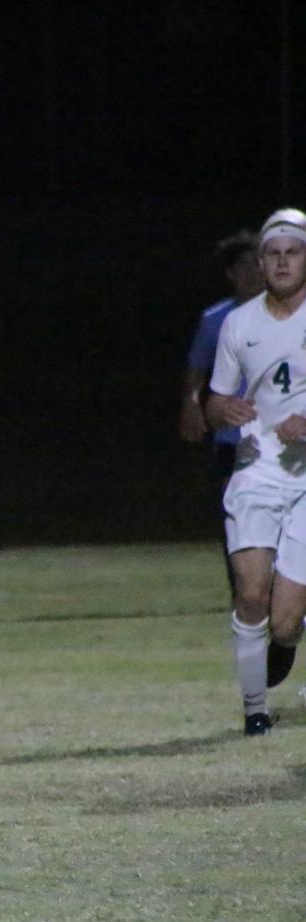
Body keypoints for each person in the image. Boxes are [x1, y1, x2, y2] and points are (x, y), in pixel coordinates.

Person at [205, 207, 306, 735]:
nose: (283, 262)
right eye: (274, 253)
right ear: (261, 261)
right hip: (257, 472)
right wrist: (222, 410)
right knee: (249, 594)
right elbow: (215, 402)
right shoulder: (237, 323)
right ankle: (254, 711)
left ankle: (292, 629)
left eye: (293, 252)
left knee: (285, 624)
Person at [180, 231, 265, 602]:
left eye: (258, 263)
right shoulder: (216, 319)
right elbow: (197, 368)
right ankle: (243, 595)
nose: (255, 272)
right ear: (231, 274)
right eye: (245, 266)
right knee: (236, 517)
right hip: (234, 439)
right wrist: (191, 403)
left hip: (284, 437)